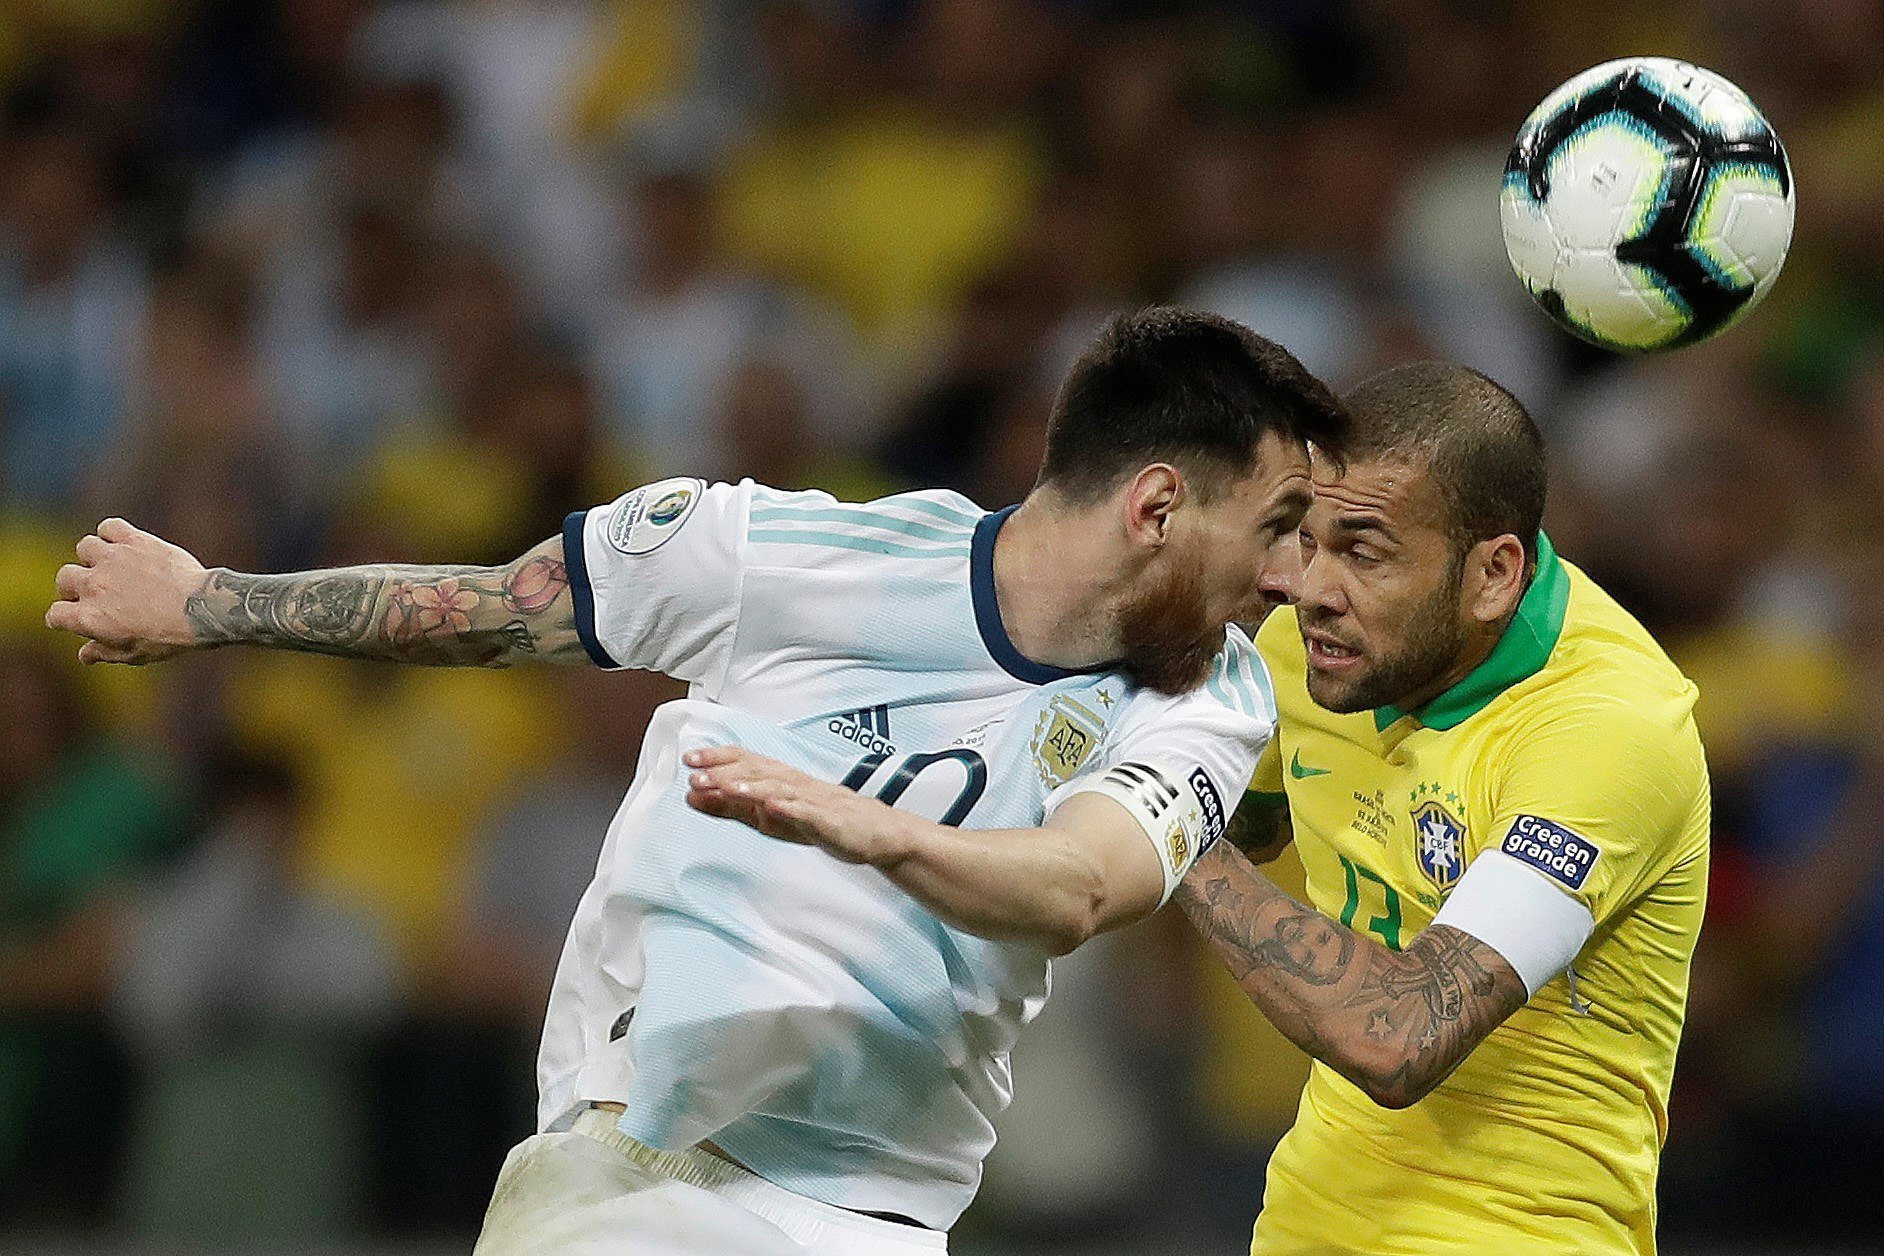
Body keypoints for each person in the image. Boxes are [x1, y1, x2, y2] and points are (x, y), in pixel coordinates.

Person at [46, 308, 1346, 1255]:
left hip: (875, 1212)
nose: (1291, 578)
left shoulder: (1214, 695)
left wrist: (864, 828)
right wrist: (211, 601)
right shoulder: (773, 553)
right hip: (637, 1165)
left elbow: (1079, 885)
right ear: (1160, 507)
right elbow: (488, 609)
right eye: (1279, 526)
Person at [1173, 363, 1709, 1255]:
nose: (1311, 589)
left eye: (1364, 553)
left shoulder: (1608, 728)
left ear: (1495, 574)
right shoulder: (1314, 653)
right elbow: (1249, 827)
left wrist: (1165, 817)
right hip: (1303, 1226)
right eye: (1306, 540)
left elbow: (1400, 1038)